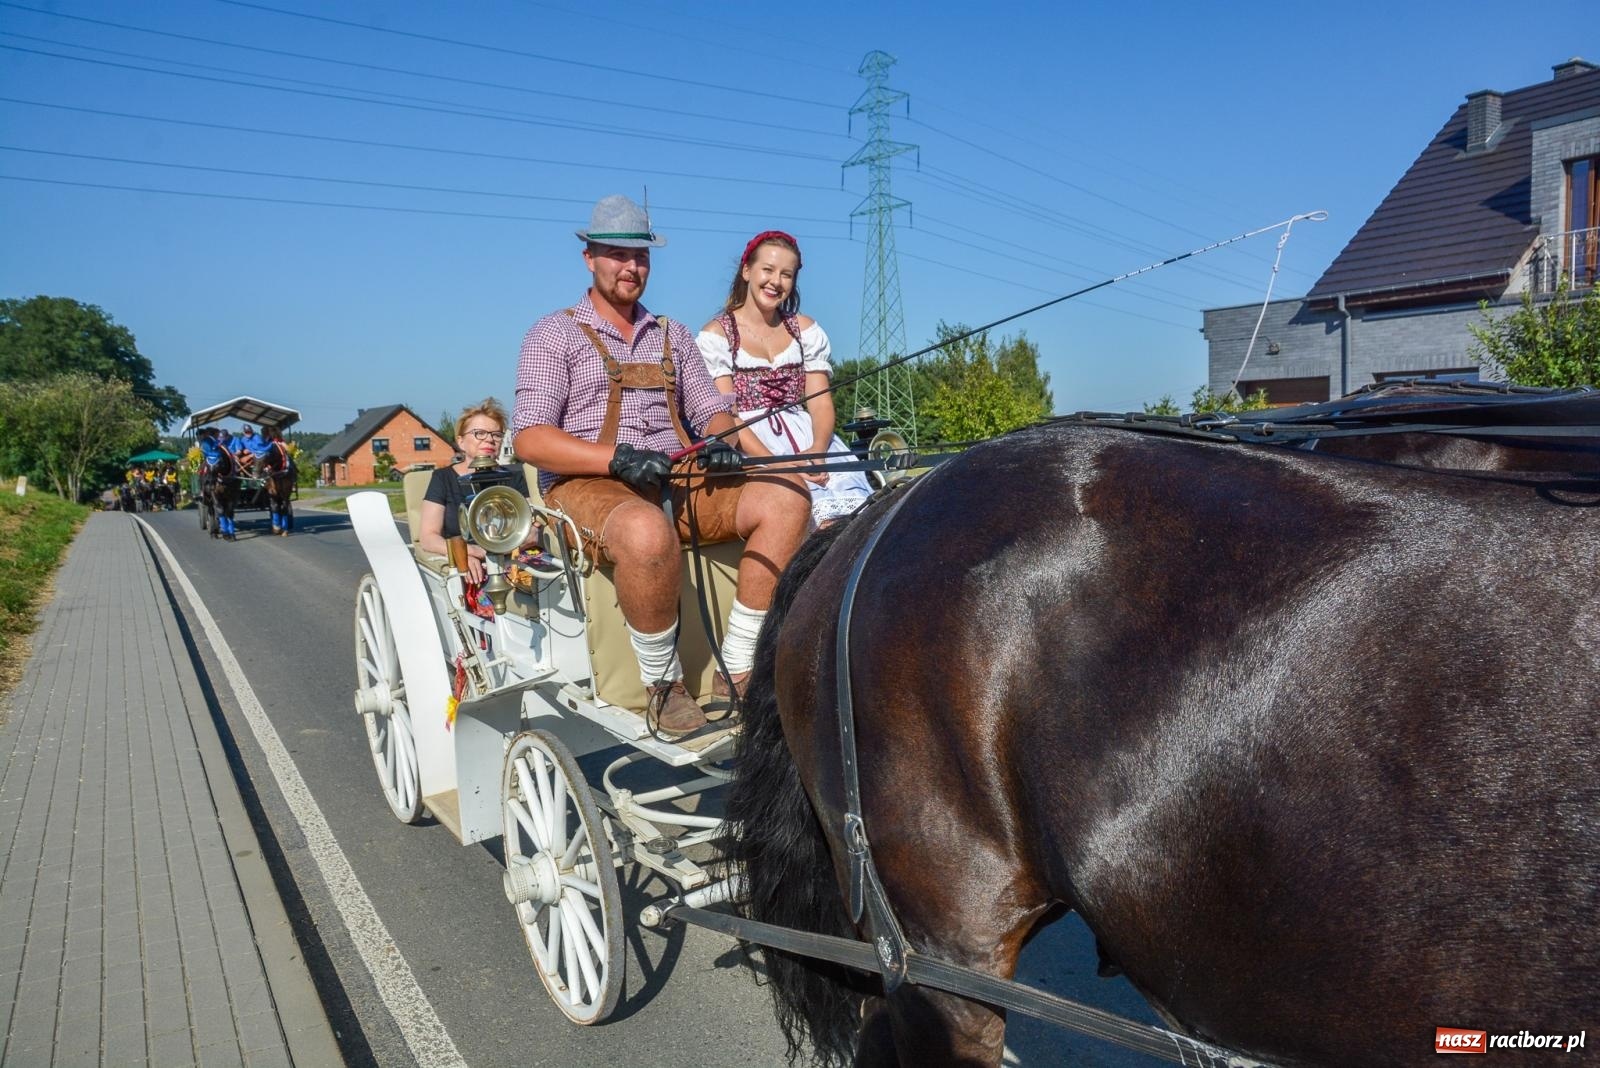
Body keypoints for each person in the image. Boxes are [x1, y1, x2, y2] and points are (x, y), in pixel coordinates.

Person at [513, 194, 811, 737]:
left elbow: (711, 410)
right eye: (617, 254)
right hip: (588, 486)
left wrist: (720, 440)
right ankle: (663, 684)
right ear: (589, 258)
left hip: (675, 476)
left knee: (788, 494)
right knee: (646, 531)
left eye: (641, 256)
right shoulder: (553, 333)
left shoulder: (671, 334)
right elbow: (531, 437)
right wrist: (617, 459)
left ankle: (738, 667)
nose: (631, 267)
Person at [697, 231, 873, 527]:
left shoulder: (804, 329)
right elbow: (729, 418)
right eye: (768, 269)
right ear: (747, 271)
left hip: (811, 439)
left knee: (858, 522)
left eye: (786, 274)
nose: (776, 281)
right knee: (814, 521)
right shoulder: (718, 335)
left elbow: (820, 403)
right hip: (752, 445)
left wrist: (818, 451)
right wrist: (778, 464)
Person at [418, 399, 534, 584]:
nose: (489, 439)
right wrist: (465, 553)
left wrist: (502, 553)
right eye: (479, 433)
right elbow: (428, 537)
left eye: (496, 435)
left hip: (513, 560)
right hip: (472, 570)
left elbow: (532, 527)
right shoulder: (443, 478)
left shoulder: (514, 478)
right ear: (461, 441)